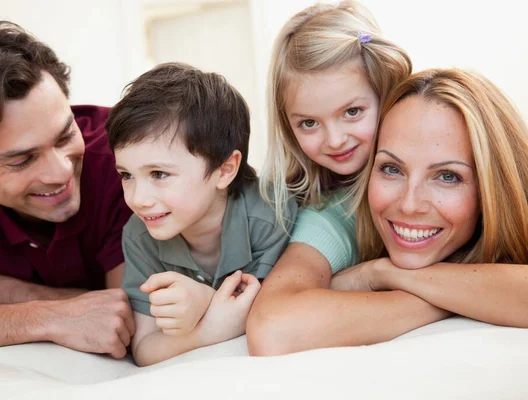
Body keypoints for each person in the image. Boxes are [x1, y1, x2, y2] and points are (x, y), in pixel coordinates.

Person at [0, 21, 134, 361]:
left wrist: (6, 293)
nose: (62, 172)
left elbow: (135, 320)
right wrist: (46, 315)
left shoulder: (128, 159)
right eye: (23, 159)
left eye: (66, 136)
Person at [247, 1, 412, 355]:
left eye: (352, 112)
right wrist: (383, 278)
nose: (334, 140)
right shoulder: (330, 211)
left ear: (387, 92)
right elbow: (272, 326)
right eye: (309, 122)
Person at [106, 62, 297, 366]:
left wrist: (205, 301)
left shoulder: (272, 218)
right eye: (127, 175)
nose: (138, 199)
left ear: (225, 170)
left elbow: (282, 313)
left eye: (158, 173)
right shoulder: (139, 235)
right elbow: (143, 347)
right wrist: (206, 330)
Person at [332, 68, 528, 329]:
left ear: (491, 189)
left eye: (447, 176)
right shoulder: (336, 222)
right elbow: (276, 332)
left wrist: (381, 274)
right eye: (391, 169)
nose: (409, 205)